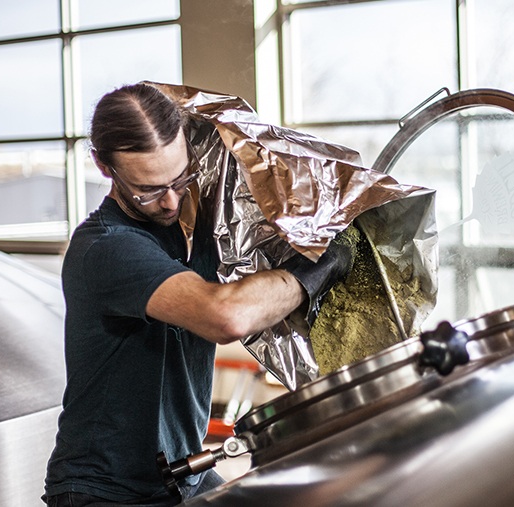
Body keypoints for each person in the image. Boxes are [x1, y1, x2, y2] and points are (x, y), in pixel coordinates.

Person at [43, 83, 352, 506]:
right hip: (105, 490)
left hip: (177, 476)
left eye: (179, 178)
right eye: (148, 189)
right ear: (103, 166)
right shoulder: (105, 248)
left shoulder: (194, 226)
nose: (170, 201)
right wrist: (316, 269)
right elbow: (227, 317)